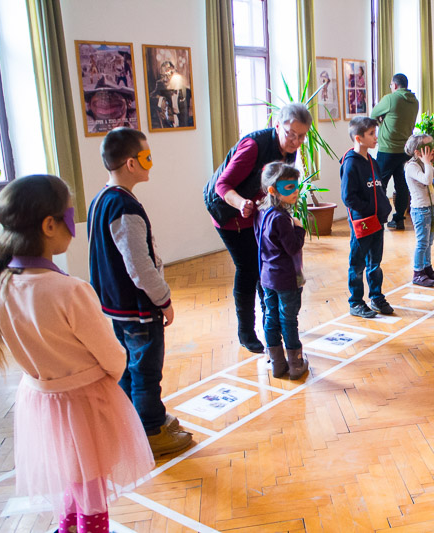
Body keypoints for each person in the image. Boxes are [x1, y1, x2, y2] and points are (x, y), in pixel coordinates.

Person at [0, 175, 154, 533]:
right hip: (83, 404)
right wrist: (112, 371)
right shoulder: (70, 290)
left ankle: (66, 526)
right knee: (91, 486)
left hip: (41, 402)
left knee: (74, 478)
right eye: (70, 216)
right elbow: (112, 356)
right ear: (49, 225)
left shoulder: (0, 286)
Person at [89, 127, 193, 457]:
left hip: (114, 307)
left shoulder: (102, 199)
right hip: (137, 309)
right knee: (145, 370)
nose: (151, 163)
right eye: (147, 157)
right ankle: (151, 431)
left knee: (128, 365)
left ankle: (136, 422)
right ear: (131, 163)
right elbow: (140, 266)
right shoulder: (125, 207)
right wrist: (164, 300)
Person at [203, 103, 312, 352]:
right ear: (277, 126)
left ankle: (271, 324)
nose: (295, 141)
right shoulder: (253, 146)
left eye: (301, 136)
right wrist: (241, 203)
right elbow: (222, 185)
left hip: (256, 215)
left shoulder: (289, 151)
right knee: (249, 268)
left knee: (265, 267)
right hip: (227, 212)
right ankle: (246, 332)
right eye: (290, 134)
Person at [254, 163, 309, 380]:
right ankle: (296, 364)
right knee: (288, 320)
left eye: (296, 186)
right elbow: (293, 247)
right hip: (287, 280)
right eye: (288, 187)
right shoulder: (281, 218)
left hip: (268, 277)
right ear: (272, 190)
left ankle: (277, 364)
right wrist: (299, 228)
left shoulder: (261, 213)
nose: (295, 191)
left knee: (271, 317)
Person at [341, 116, 393, 318]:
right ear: (358, 138)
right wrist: (368, 211)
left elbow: (379, 188)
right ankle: (355, 302)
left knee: (375, 263)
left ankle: (376, 297)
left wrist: (383, 208)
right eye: (371, 134)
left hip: (377, 221)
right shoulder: (351, 164)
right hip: (362, 223)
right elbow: (348, 197)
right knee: (357, 264)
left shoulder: (373, 161)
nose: (376, 137)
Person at [370, 73, 419, 230]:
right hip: (405, 150)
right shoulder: (414, 101)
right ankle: (399, 219)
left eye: (391, 85)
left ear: (395, 85)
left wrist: (382, 122)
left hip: (387, 149)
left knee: (380, 184)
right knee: (402, 185)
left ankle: (379, 218)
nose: (391, 87)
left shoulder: (391, 99)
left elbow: (373, 115)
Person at [404, 134, 434, 287]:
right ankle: (418, 272)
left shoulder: (424, 164)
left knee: (429, 242)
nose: (432, 150)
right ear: (417, 152)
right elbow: (427, 180)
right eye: (428, 148)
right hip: (420, 210)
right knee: (422, 242)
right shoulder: (412, 166)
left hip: (431, 209)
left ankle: (427, 268)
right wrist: (427, 162)